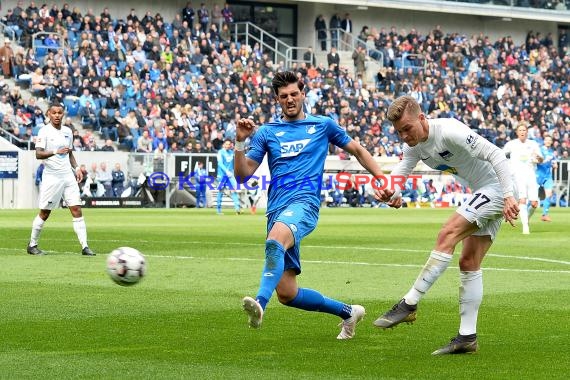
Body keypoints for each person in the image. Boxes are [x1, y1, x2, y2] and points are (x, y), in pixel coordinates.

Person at [235, 71, 385, 339]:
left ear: (303, 94)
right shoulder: (267, 132)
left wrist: (383, 180)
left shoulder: (323, 125)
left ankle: (260, 304)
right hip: (276, 210)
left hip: (304, 204)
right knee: (287, 293)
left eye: (294, 94)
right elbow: (243, 175)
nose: (290, 99)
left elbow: (359, 151)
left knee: (275, 241)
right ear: (277, 100)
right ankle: (348, 312)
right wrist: (239, 142)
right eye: (284, 96)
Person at [371, 96, 519, 354]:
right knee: (469, 262)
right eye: (399, 132)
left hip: (497, 187)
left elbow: (496, 154)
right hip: (483, 190)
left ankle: (409, 303)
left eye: (407, 128)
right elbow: (399, 176)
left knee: (448, 232)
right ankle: (467, 338)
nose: (404, 135)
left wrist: (507, 195)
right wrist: (390, 194)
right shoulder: (414, 146)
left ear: (421, 118)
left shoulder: (450, 131)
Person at [27, 102, 95, 256]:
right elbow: (38, 154)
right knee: (45, 213)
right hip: (52, 177)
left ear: (63, 114)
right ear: (48, 114)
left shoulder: (68, 131)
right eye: (54, 113)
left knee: (77, 209)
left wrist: (76, 168)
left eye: (60, 113)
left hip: (67, 176)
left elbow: (69, 152)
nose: (57, 115)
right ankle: (32, 245)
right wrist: (55, 151)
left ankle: (85, 247)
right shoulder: (44, 131)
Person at [503, 123, 543, 234]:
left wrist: (538, 157)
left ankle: (527, 219)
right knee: (522, 200)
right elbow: (501, 155)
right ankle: (525, 227)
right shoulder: (511, 144)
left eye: (524, 130)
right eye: (520, 130)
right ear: (517, 132)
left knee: (534, 203)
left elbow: (540, 160)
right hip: (517, 176)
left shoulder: (533, 144)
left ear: (527, 132)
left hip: (530, 175)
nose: (522, 132)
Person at [216, 139, 241, 215]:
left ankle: (237, 209)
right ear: (224, 145)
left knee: (234, 190)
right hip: (222, 175)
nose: (227, 146)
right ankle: (218, 210)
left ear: (230, 145)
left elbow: (232, 164)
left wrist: (232, 172)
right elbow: (220, 163)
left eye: (229, 144)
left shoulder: (231, 152)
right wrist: (226, 171)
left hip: (230, 175)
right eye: (226, 144)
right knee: (221, 191)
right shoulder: (220, 152)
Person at [536, 134, 556, 222]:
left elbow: (554, 163)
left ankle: (545, 214)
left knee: (549, 194)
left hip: (548, 176)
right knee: (532, 197)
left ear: (551, 142)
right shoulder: (540, 150)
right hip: (538, 175)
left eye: (549, 140)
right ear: (544, 141)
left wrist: (555, 165)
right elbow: (536, 160)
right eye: (546, 140)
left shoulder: (552, 152)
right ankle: (521, 211)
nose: (548, 141)